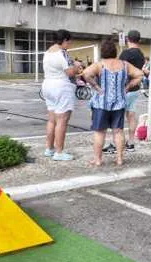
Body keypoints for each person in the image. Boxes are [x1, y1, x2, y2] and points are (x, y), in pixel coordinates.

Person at [82, 38, 142, 166]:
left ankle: (98, 160)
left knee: (100, 132)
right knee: (118, 131)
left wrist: (96, 87)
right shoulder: (125, 64)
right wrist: (127, 87)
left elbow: (86, 73)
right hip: (119, 103)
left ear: (102, 52)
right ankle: (119, 159)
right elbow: (139, 74)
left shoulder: (100, 64)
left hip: (101, 104)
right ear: (114, 51)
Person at [41, 29, 81, 161]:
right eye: (68, 42)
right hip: (61, 87)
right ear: (64, 40)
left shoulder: (47, 52)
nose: (69, 45)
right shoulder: (62, 53)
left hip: (47, 85)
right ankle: (59, 152)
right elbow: (70, 72)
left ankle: (49, 148)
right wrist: (77, 66)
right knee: (62, 120)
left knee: (52, 120)